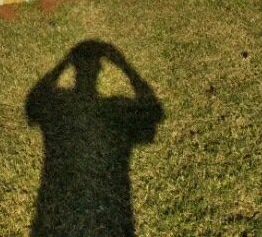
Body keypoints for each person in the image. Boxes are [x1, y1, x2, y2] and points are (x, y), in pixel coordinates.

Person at [25, 40, 164, 237]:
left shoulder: (60, 106)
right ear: (100, 70)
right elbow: (153, 112)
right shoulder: (114, 108)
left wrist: (63, 63)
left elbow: (35, 101)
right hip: (115, 212)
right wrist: (125, 66)